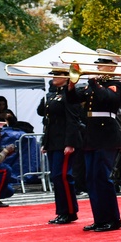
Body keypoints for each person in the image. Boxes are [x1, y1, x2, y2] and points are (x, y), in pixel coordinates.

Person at [68, 56, 121, 232]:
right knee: (91, 179)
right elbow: (72, 99)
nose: (98, 67)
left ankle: (113, 219)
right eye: (98, 64)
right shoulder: (91, 86)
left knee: (103, 178)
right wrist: (71, 83)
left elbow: (107, 98)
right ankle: (99, 218)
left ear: (112, 68)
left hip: (107, 135)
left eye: (103, 65)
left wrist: (93, 81)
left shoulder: (116, 84)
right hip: (92, 136)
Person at [38, 63, 82, 224]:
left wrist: (70, 143)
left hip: (64, 141)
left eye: (57, 75)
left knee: (63, 176)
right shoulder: (52, 95)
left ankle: (70, 211)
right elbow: (47, 119)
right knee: (56, 177)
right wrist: (45, 142)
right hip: (54, 141)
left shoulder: (69, 95)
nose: (53, 77)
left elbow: (73, 121)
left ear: (65, 78)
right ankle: (62, 210)